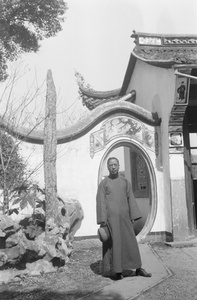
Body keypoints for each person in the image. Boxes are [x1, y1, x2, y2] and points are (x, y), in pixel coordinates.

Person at [96, 157, 152, 280]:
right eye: (111, 165)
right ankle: (117, 271)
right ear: (108, 167)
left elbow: (130, 198)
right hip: (111, 221)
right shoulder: (104, 184)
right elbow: (100, 202)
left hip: (125, 219)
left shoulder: (125, 181)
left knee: (131, 242)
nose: (113, 167)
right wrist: (103, 221)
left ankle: (138, 268)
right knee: (115, 245)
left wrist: (133, 216)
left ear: (119, 165)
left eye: (115, 164)